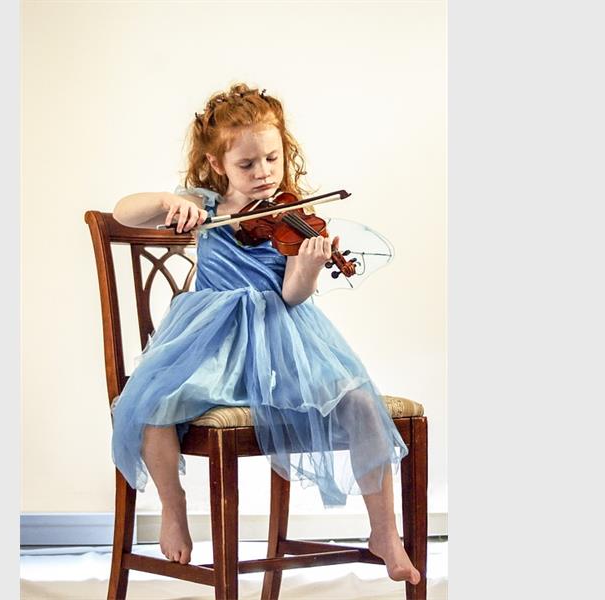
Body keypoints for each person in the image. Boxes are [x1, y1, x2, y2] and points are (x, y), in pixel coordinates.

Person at [110, 83, 420, 585]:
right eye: (247, 164)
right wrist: (169, 201)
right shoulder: (203, 206)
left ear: (284, 152)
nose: (263, 173)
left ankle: (384, 532)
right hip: (210, 347)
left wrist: (310, 266)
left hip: (281, 345)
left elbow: (292, 295)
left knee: (363, 403)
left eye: (272, 159)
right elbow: (125, 211)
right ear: (217, 164)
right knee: (152, 405)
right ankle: (173, 508)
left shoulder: (294, 217)